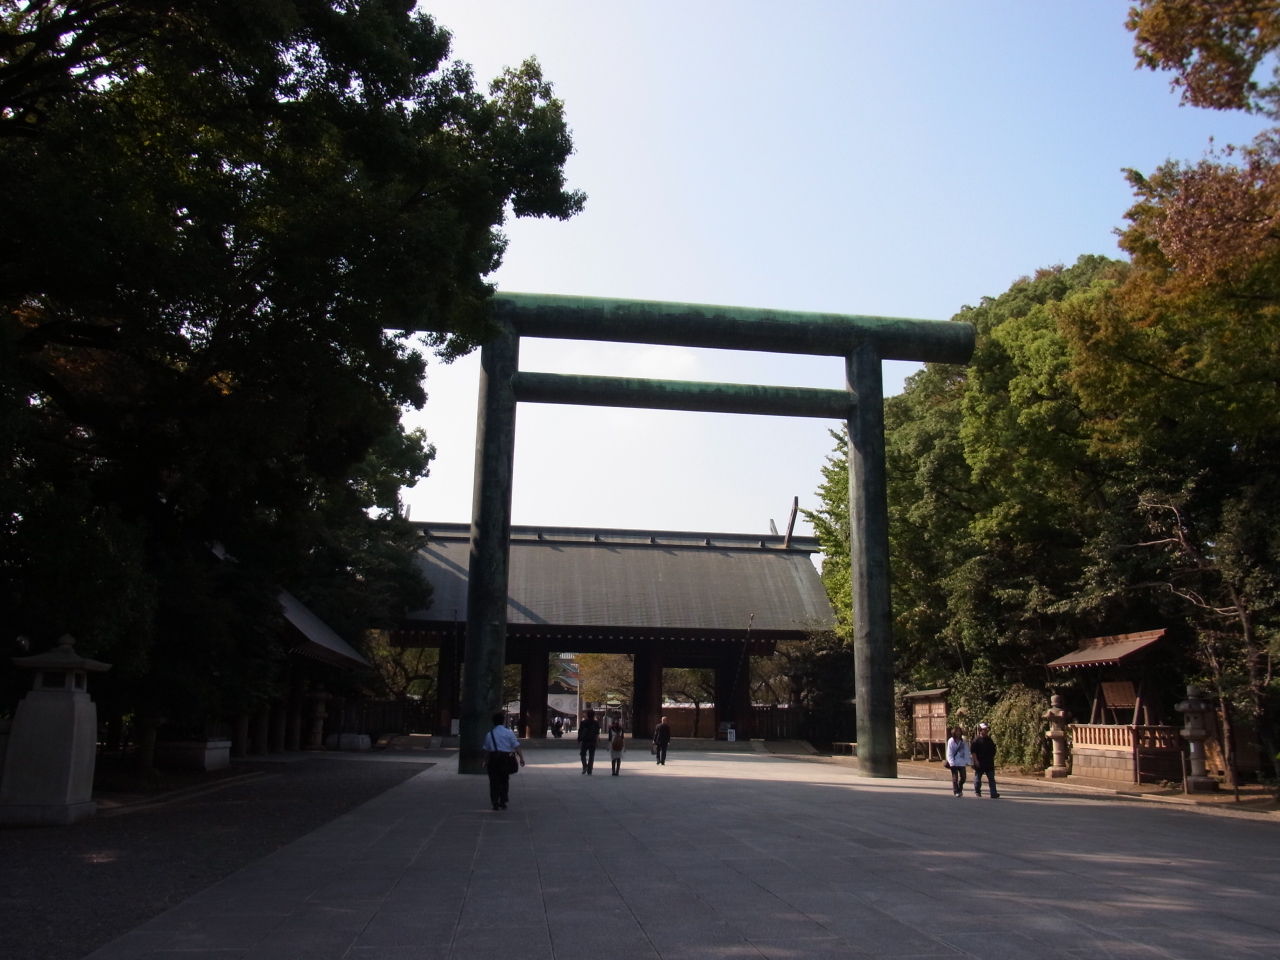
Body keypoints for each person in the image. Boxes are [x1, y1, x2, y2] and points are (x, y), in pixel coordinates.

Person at [483, 710, 524, 811]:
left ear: (493, 722)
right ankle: (503, 800)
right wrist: (521, 758)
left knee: (493, 781)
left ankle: (495, 801)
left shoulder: (489, 734)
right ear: (503, 721)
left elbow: (487, 750)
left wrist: (485, 761)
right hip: (505, 759)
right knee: (504, 780)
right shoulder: (509, 733)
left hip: (493, 759)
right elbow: (516, 746)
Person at [970, 721, 999, 798]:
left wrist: (992, 758)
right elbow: (973, 752)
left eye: (987, 729)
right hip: (979, 762)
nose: (986, 731)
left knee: (991, 778)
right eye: (984, 729)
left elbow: (993, 750)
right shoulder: (976, 740)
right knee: (978, 778)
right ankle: (977, 791)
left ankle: (993, 793)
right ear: (980, 730)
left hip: (989, 762)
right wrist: (976, 761)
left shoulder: (989, 740)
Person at [945, 726, 971, 797]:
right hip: (954, 762)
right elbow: (949, 753)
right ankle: (956, 791)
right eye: (956, 732)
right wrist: (951, 763)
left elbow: (966, 751)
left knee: (963, 777)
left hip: (962, 762)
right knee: (955, 778)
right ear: (954, 733)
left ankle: (960, 787)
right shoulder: (951, 741)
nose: (958, 733)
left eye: (959, 731)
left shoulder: (963, 741)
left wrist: (968, 761)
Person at [577, 708, 601, 775]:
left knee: (582, 754)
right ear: (593, 715)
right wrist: (597, 740)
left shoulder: (583, 722)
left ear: (587, 715)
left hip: (585, 740)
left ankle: (585, 766)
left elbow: (580, 731)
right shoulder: (596, 723)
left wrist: (579, 739)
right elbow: (597, 733)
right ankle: (589, 770)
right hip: (593, 740)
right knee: (591, 755)